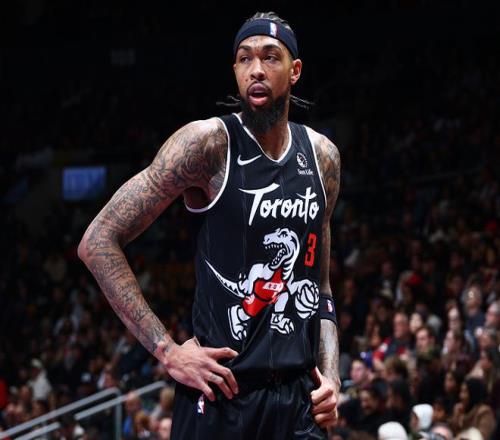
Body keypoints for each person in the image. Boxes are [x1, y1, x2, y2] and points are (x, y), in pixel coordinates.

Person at [78, 11, 341, 440]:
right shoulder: (207, 145)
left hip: (298, 402)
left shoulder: (322, 157)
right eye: (245, 58)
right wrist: (167, 351)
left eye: (270, 57)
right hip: (222, 395)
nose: (256, 70)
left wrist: (332, 376)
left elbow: (321, 287)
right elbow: (97, 241)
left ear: (294, 71)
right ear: (235, 70)